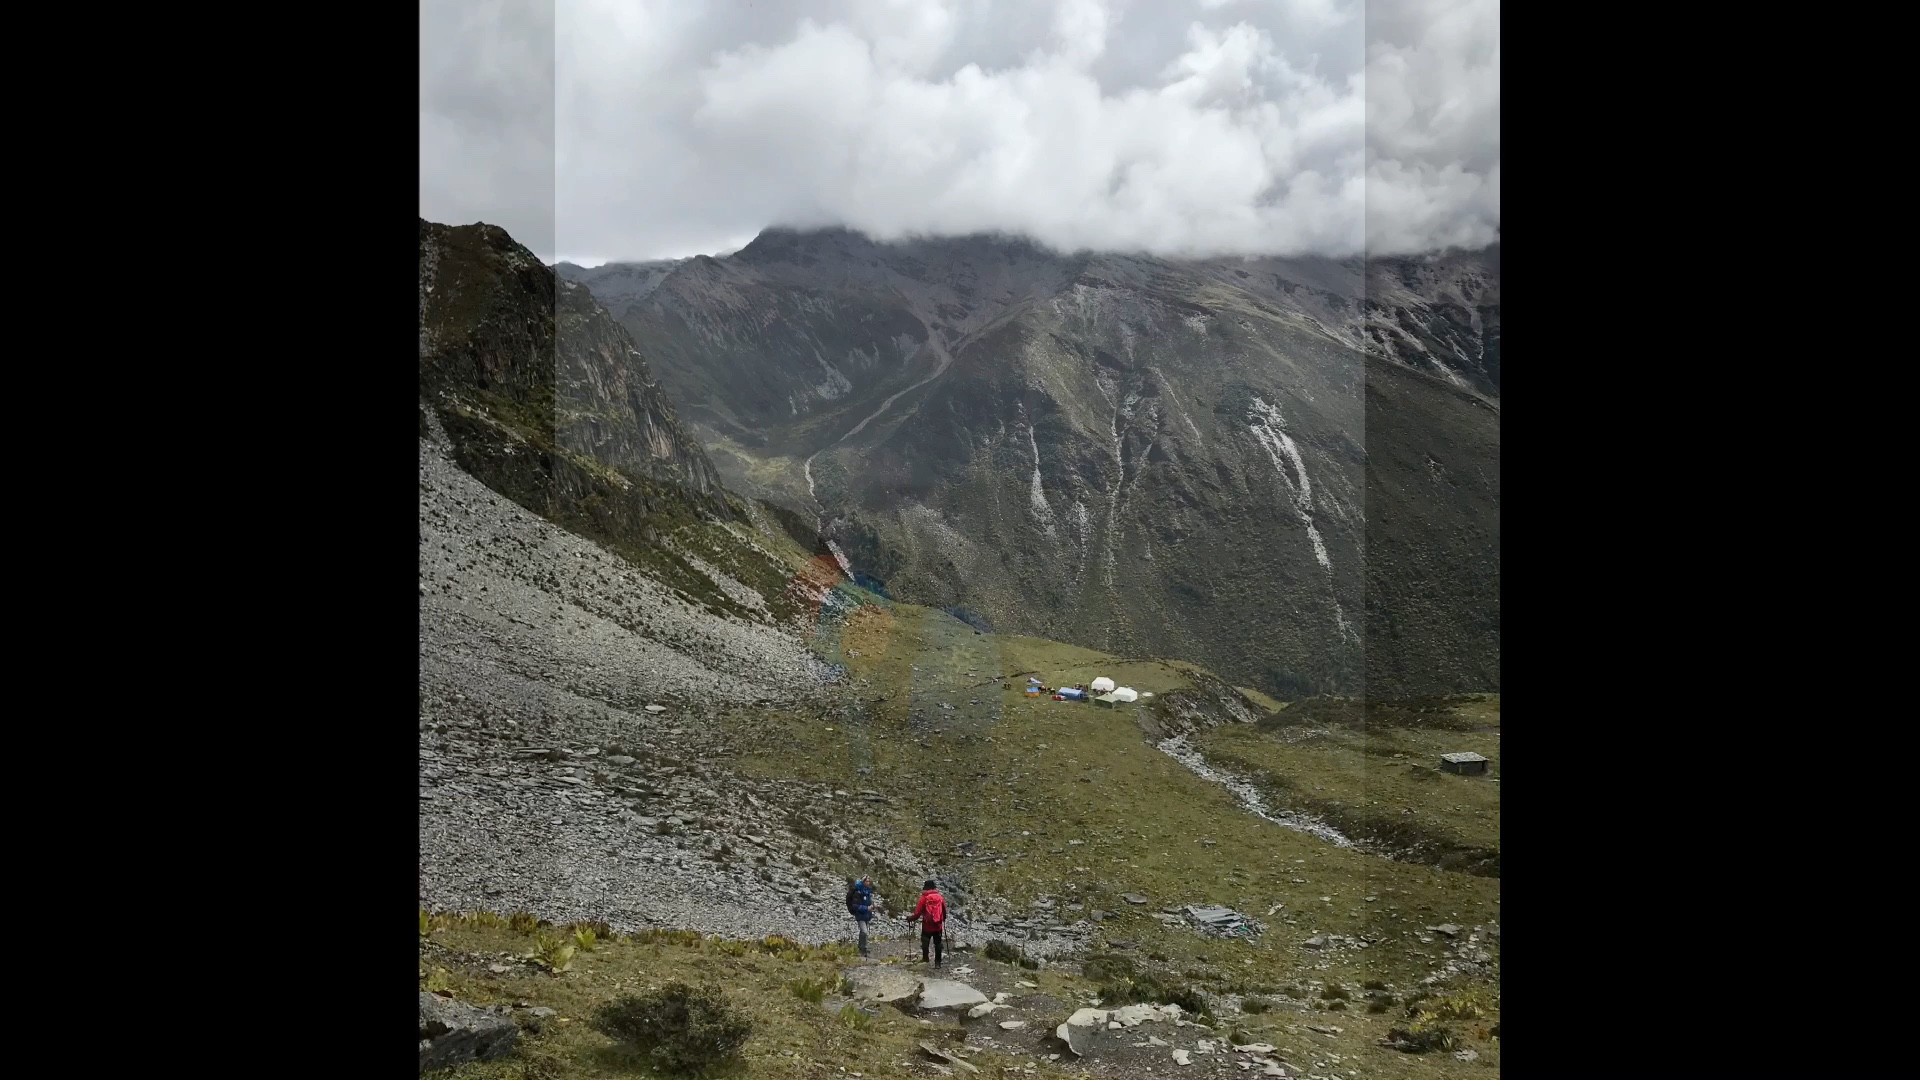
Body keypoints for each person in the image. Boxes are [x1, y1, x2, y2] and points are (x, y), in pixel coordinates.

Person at [905, 878, 948, 968]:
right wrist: (942, 919)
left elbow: (917, 914)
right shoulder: (940, 897)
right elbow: (944, 911)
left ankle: (925, 959)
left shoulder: (924, 898)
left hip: (927, 925)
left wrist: (910, 918)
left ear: (926, 887)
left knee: (925, 943)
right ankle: (938, 963)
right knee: (938, 944)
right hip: (938, 925)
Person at [845, 876, 875, 956]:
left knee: (863, 932)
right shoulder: (858, 892)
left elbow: (869, 902)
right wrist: (867, 908)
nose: (868, 883)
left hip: (866, 915)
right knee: (864, 931)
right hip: (860, 915)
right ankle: (863, 949)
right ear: (863, 882)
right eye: (866, 881)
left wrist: (872, 906)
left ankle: (862, 948)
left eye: (869, 881)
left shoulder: (867, 891)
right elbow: (855, 906)